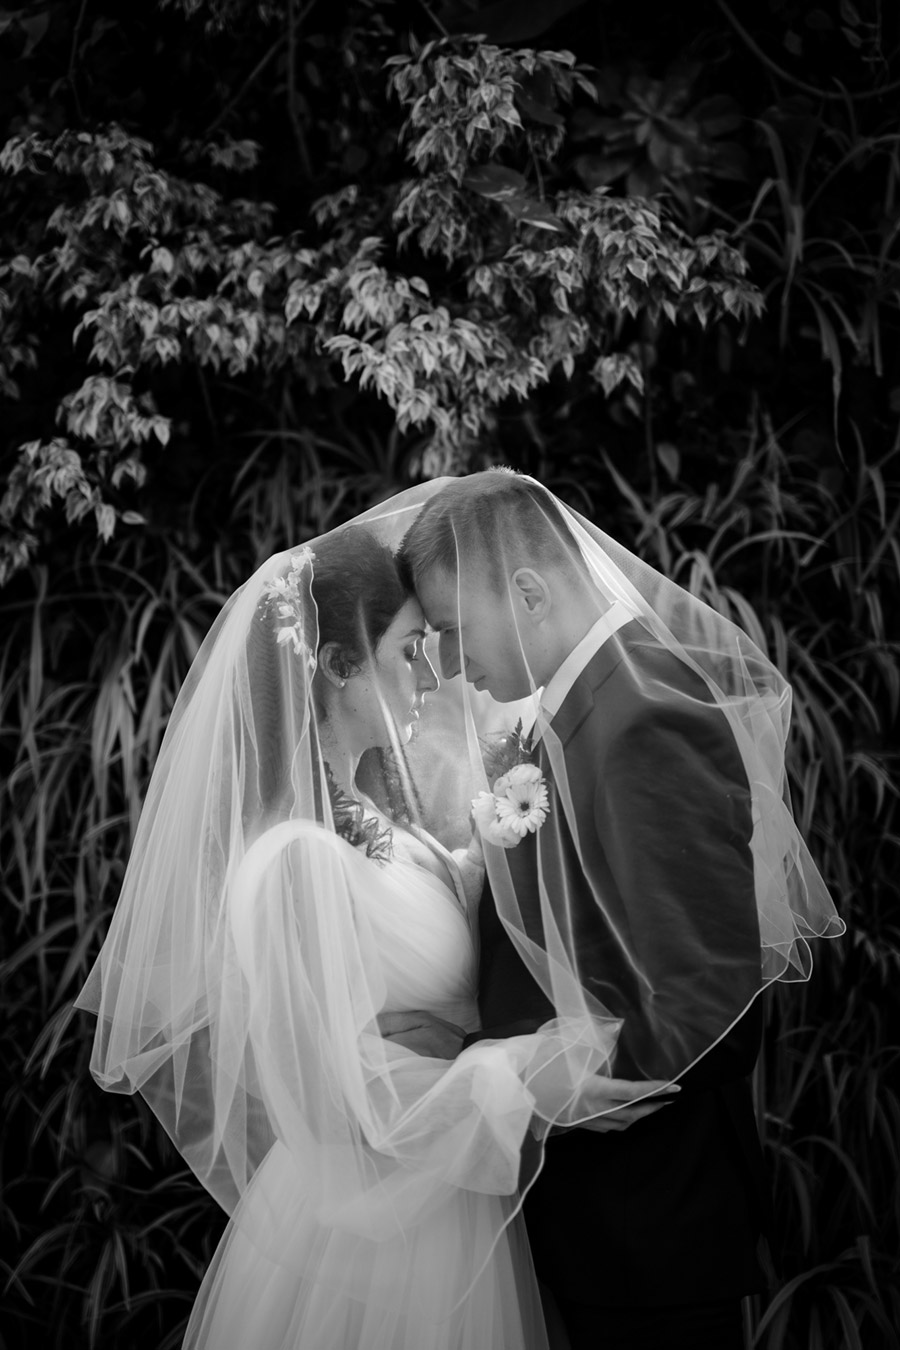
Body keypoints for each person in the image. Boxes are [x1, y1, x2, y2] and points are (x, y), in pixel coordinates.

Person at [74, 512, 647, 1350]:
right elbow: (331, 1106)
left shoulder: (395, 837)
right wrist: (522, 1073)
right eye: (409, 648)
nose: (431, 672)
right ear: (339, 665)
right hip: (370, 1249)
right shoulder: (290, 866)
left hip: (448, 1209)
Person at [397, 469, 845, 1350]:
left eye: (454, 630)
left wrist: (539, 1080)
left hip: (648, 1225)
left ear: (527, 593)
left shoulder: (639, 713)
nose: (450, 661)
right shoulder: (585, 707)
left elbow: (713, 1006)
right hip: (604, 1224)